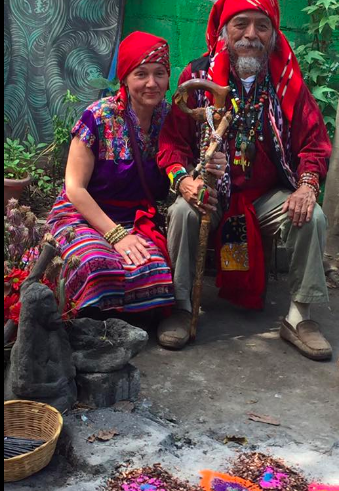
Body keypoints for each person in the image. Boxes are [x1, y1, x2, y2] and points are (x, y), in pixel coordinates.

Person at [157, 0, 333, 360]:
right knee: (183, 212)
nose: (251, 35)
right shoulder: (198, 76)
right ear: (225, 30)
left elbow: (314, 144)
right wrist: (184, 180)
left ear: (273, 34)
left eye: (261, 26)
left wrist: (306, 186)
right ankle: (181, 307)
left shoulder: (287, 81)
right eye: (241, 24)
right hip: (213, 190)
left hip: (266, 196)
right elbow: (171, 144)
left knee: (312, 216)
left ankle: (300, 316)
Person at [47, 31, 226, 319]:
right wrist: (116, 235)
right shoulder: (98, 117)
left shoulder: (172, 119)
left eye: (159, 73)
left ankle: (119, 324)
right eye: (141, 74)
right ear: (125, 79)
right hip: (82, 216)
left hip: (136, 220)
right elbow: (75, 189)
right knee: (97, 265)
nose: (151, 83)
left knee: (157, 275)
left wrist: (211, 164)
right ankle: (85, 325)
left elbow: (187, 165)